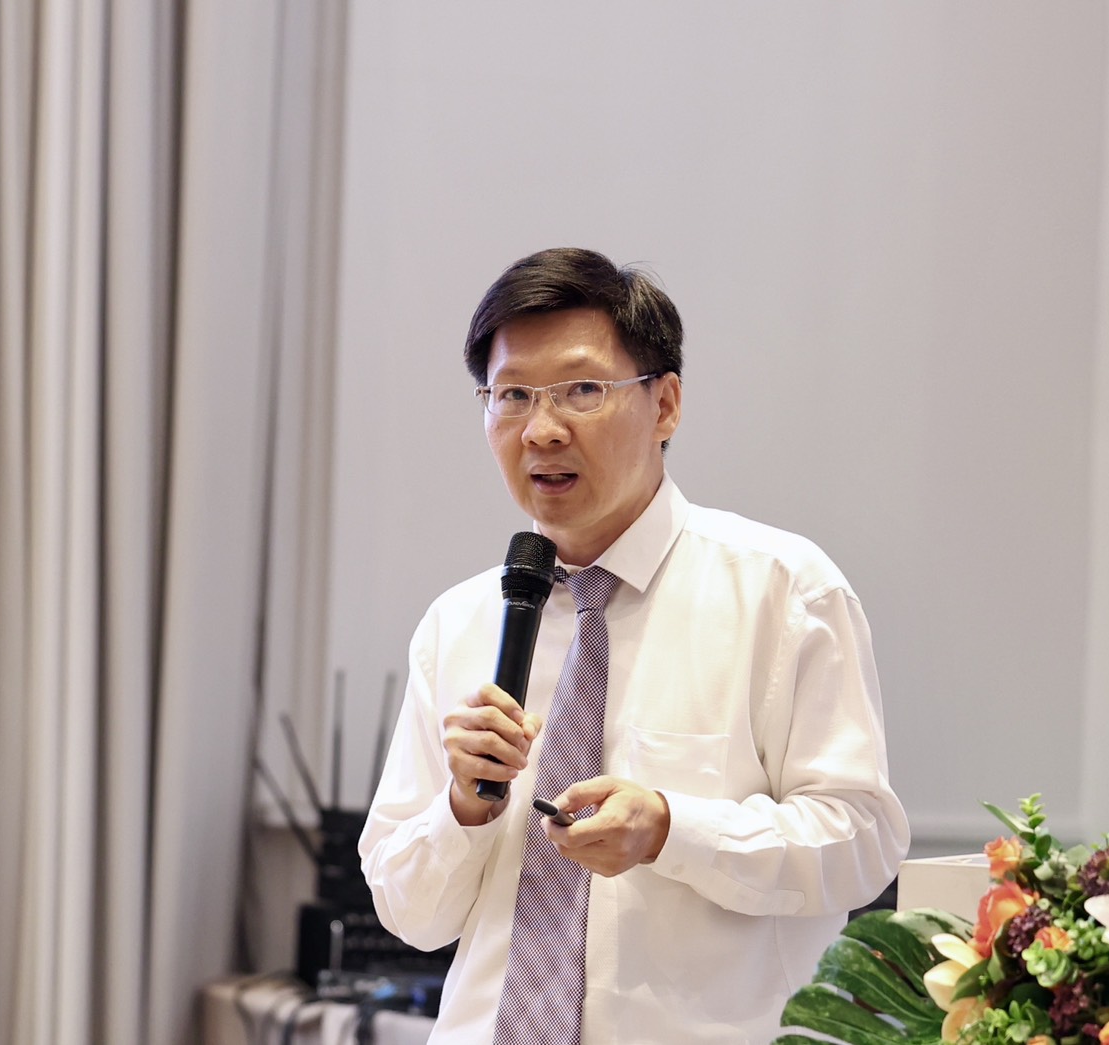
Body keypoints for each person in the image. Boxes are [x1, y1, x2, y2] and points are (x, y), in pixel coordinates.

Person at [359, 247, 908, 1043]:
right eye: (512, 395)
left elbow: (859, 843)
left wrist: (670, 829)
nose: (542, 429)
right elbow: (407, 912)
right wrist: (462, 808)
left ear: (665, 404)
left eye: (582, 390)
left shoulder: (784, 590)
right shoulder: (460, 622)